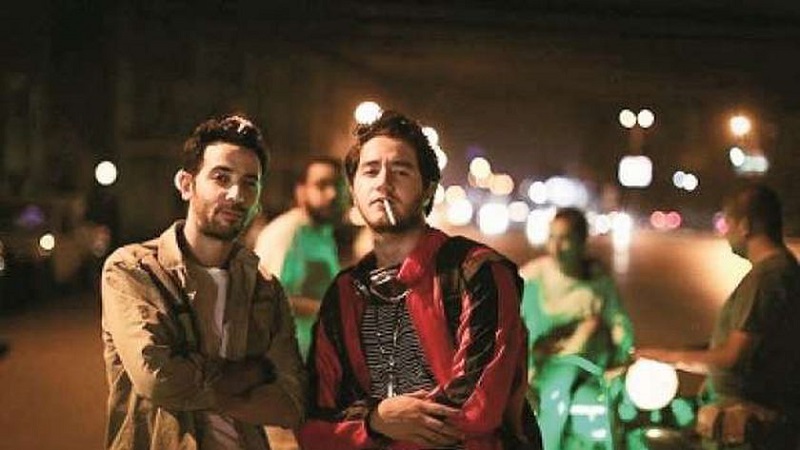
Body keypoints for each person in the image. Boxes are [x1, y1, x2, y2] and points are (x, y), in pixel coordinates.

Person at [297, 110, 541, 450]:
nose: (383, 183)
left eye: (401, 171)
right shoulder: (345, 293)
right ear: (353, 190)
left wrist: (375, 428)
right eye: (370, 171)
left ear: (428, 190)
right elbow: (315, 422)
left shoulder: (478, 272)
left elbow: (477, 408)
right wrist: (376, 420)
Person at [100, 114, 306, 450]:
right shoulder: (134, 270)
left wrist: (195, 386)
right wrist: (252, 374)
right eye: (221, 177)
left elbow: (292, 402)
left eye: (249, 183)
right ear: (186, 184)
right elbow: (158, 380)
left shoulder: (264, 288)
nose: (236, 194)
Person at [638, 184, 800, 449]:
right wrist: (679, 352)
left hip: (747, 431)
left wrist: (668, 357)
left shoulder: (767, 279)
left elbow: (732, 357)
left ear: (745, 226)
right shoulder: (781, 270)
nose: (725, 233)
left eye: (728, 223)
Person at [519, 207, 633, 450]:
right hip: (537, 365)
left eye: (565, 239)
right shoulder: (531, 278)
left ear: (582, 242)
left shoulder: (598, 282)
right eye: (552, 237)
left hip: (585, 365)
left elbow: (618, 323)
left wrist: (623, 355)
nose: (556, 247)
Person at [253, 157, 342, 360]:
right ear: (301, 191)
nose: (332, 194)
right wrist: (332, 311)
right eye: (321, 185)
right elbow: (267, 298)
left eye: (337, 186)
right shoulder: (286, 233)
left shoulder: (323, 233)